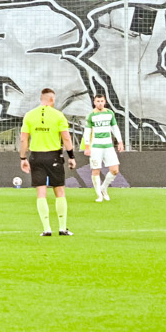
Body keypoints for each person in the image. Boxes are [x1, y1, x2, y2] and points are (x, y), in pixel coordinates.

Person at [19, 87, 75, 237]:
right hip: (54, 156)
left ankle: (46, 229)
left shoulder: (30, 115)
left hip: (36, 157)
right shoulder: (58, 115)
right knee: (59, 191)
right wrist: (71, 156)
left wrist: (23, 158)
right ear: (52, 99)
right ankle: (62, 228)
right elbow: (66, 137)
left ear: (41, 99)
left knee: (41, 192)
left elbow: (24, 139)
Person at [81, 92, 122, 202]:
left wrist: (120, 141)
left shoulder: (110, 113)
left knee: (115, 170)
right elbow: (87, 132)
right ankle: (99, 195)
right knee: (96, 170)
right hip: (96, 147)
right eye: (98, 101)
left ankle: (104, 188)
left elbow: (115, 128)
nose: (100, 103)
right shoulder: (91, 115)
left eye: (102, 101)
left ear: (105, 102)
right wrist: (87, 146)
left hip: (108, 146)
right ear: (94, 102)